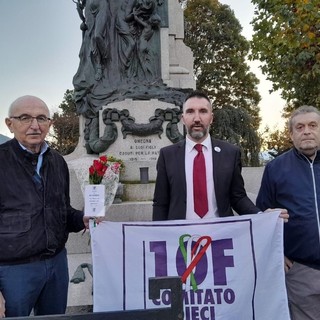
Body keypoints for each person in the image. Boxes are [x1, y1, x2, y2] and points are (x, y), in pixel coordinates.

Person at [0, 95, 91, 318]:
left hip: (56, 266)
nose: (34, 125)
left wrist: (82, 219)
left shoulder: (58, 162)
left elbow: (62, 211)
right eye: (25, 118)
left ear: (50, 123)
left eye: (41, 118)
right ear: (9, 123)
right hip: (13, 272)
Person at [152, 90, 289, 221]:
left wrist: (261, 215)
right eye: (190, 111)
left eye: (203, 111)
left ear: (211, 118)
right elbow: (160, 203)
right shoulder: (167, 155)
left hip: (220, 238)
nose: (197, 118)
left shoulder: (230, 153)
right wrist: (158, 240)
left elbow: (238, 197)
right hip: (180, 238)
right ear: (183, 118)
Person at [256, 105, 320, 320]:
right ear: (291, 134)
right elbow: (262, 215)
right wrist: (277, 254)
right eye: (300, 127)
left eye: (313, 125)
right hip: (301, 270)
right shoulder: (276, 168)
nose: (307, 131)